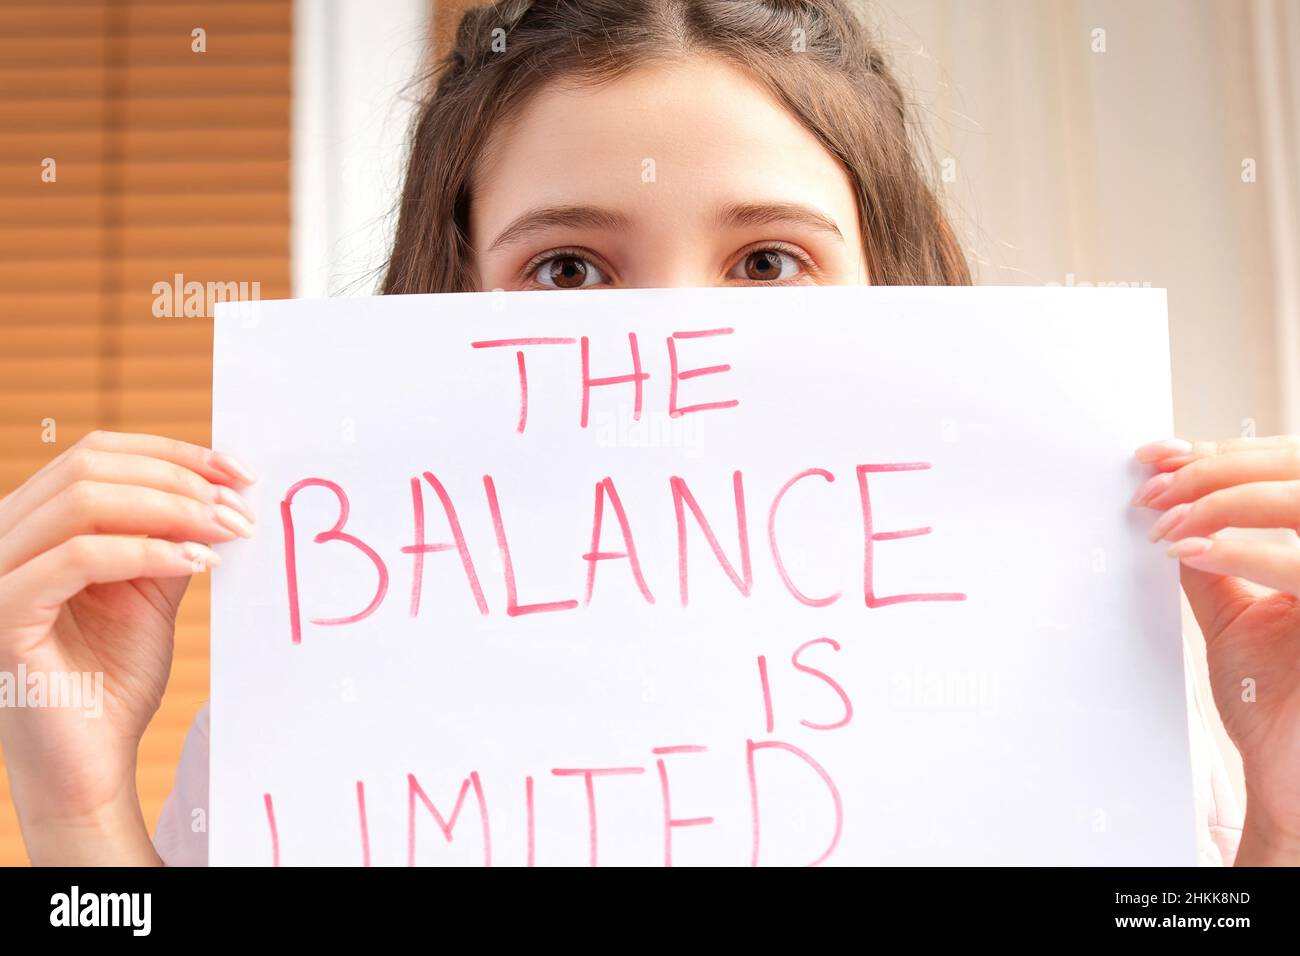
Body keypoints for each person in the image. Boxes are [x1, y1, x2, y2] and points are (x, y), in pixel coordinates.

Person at [1, 0, 1296, 866]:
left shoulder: (1117, 702)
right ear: (450, 306)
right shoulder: (319, 724)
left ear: (889, 289)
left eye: (770, 261)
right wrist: (75, 802)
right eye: (568, 271)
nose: (670, 348)